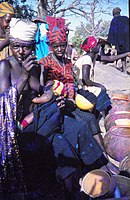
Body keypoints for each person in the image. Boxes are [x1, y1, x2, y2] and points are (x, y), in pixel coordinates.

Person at [0, 18, 109, 200]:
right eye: (17, 46)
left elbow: (40, 92)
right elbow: (3, 105)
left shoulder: (34, 65)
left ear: (33, 46)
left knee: (80, 128)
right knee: (61, 145)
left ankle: (102, 174)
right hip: (21, 126)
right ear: (10, 44)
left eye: (26, 47)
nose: (21, 51)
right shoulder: (5, 66)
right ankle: (71, 192)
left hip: (41, 116)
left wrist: (51, 94)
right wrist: (24, 77)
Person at [74, 36, 130, 118]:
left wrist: (126, 54)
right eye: (96, 46)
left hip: (85, 85)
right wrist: (100, 86)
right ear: (91, 49)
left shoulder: (93, 56)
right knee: (101, 91)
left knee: (102, 92)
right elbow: (86, 80)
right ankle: (104, 116)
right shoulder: (86, 59)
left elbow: (110, 58)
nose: (98, 47)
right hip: (81, 87)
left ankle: (102, 115)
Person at [107, 7, 130, 74]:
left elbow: (112, 32)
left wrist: (111, 42)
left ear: (114, 13)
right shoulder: (126, 18)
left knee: (122, 55)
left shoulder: (114, 20)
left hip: (120, 41)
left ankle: (124, 70)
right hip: (128, 39)